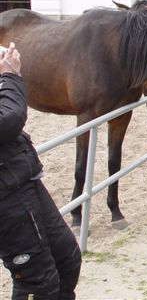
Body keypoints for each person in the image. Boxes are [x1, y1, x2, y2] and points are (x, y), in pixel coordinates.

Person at [0, 42, 82, 299]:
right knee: (38, 282)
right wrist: (11, 77)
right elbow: (7, 121)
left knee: (67, 259)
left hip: (23, 179)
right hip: (6, 197)